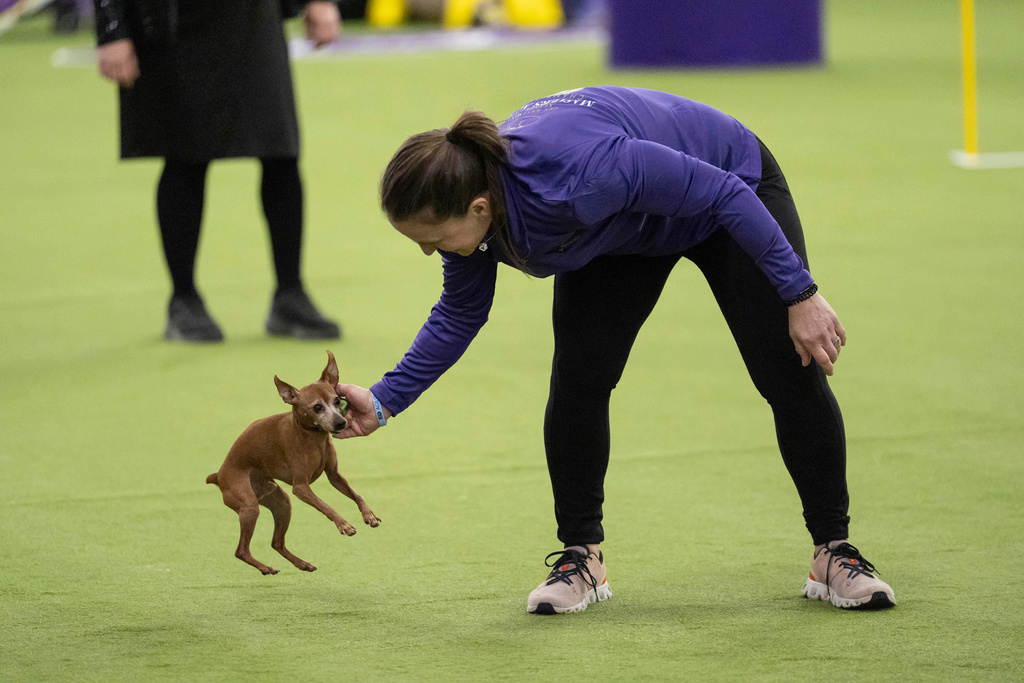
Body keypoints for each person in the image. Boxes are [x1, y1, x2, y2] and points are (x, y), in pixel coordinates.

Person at [334, 86, 896, 614]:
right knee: (579, 381)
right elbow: (459, 313)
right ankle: (583, 559)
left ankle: (833, 552)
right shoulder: (474, 208)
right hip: (622, 230)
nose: (430, 252)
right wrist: (383, 402)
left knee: (788, 372)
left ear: (479, 208)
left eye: (431, 240)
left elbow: (726, 195)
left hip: (728, 190)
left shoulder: (578, 175)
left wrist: (800, 292)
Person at [94, 0, 342, 342]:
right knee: (185, 157)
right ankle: (184, 299)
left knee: (281, 152)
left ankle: (290, 294)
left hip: (255, 16)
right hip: (175, 22)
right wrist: (111, 29)